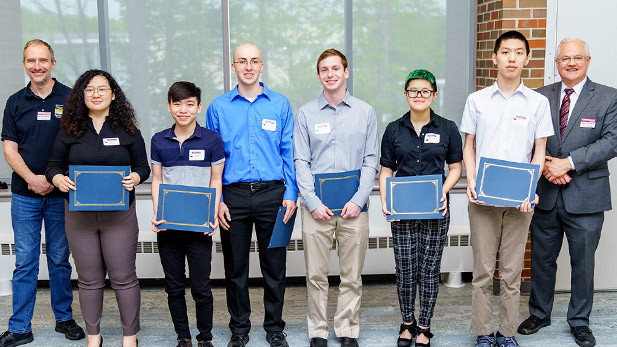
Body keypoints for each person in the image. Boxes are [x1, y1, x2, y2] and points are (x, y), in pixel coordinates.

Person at [517, 38, 617, 347]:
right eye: (564, 58)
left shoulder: (608, 97)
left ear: (588, 60)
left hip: (586, 196)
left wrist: (568, 164)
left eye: (577, 58)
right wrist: (549, 165)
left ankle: (579, 321)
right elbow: (527, 138)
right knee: (542, 260)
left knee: (583, 262)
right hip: (546, 192)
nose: (570, 63)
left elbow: (611, 141)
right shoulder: (538, 96)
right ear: (556, 62)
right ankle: (540, 313)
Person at [459, 30, 554, 347]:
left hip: (520, 200)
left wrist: (531, 188)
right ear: (495, 57)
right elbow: (468, 146)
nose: (511, 58)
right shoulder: (477, 100)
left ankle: (508, 332)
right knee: (483, 271)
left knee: (512, 273)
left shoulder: (538, 103)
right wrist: (471, 181)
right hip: (482, 197)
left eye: (518, 52)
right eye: (505, 52)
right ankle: (484, 331)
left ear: (527, 58)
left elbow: (539, 151)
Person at [45, 69, 150, 347]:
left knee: (123, 278)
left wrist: (136, 178)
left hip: (119, 216)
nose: (96, 94)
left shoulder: (128, 131)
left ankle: (130, 336)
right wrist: (58, 179)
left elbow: (143, 167)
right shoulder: (69, 130)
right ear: (82, 95)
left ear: (113, 95)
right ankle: (94, 336)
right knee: (89, 279)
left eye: (102, 89)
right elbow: (53, 166)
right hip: (79, 217)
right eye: (90, 89)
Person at [206, 43, 298, 347]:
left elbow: (288, 151)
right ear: (233, 67)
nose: (248, 66)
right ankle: (240, 329)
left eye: (254, 61)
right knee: (235, 269)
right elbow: (213, 161)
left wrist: (292, 192)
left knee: (275, 266)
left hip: (274, 195)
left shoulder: (280, 104)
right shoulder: (218, 107)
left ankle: (274, 328)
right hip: (233, 197)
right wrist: (217, 201)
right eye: (242, 61)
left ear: (262, 66)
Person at [0, 39, 85, 347]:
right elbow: (9, 149)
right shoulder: (15, 102)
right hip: (25, 194)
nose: (37, 65)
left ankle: (64, 319)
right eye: (31, 60)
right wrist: (32, 178)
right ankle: (20, 327)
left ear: (53, 63)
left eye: (42, 60)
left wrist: (56, 178)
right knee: (25, 262)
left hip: (61, 194)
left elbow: (81, 143)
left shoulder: (71, 98)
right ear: (25, 64)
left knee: (61, 259)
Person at [293, 48, 379, 347]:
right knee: (316, 275)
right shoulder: (305, 113)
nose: (330, 74)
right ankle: (317, 330)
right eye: (324, 70)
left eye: (335, 69)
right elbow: (300, 162)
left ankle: (347, 330)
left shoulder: (365, 112)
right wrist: (312, 203)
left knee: (351, 275)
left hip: (355, 207)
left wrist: (358, 199)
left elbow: (371, 160)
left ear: (345, 72)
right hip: (316, 208)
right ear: (319, 76)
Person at [379, 70, 463, 347]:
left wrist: (443, 190)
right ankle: (407, 323)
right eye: (413, 91)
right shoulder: (393, 129)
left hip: (435, 210)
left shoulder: (448, 128)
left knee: (429, 269)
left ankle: (424, 326)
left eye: (425, 91)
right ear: (405, 95)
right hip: (402, 211)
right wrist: (385, 200)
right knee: (405, 268)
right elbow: (386, 170)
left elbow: (455, 168)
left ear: (434, 95)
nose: (419, 96)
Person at [151, 81, 225, 347]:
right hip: (168, 226)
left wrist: (211, 214)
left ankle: (205, 338)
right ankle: (183, 337)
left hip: (199, 226)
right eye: (178, 103)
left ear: (199, 107)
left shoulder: (212, 140)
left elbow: (216, 180)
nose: (184, 110)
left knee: (201, 288)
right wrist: (158, 213)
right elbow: (157, 179)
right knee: (174, 286)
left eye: (190, 104)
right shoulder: (159, 139)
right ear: (169, 106)